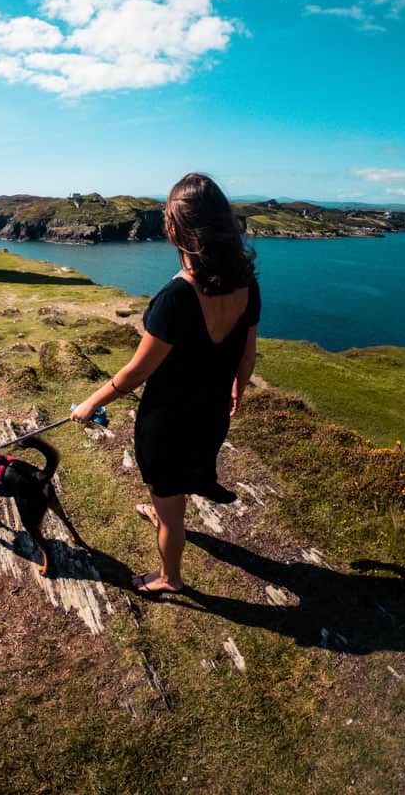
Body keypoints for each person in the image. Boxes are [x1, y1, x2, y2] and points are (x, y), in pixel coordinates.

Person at [71, 173, 260, 596]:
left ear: (175, 228)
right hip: (211, 414)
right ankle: (163, 511)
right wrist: (238, 391)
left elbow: (137, 372)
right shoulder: (247, 286)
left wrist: (91, 402)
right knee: (178, 483)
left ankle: (169, 577)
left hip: (168, 423)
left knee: (171, 508)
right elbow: (247, 356)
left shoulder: (176, 297)